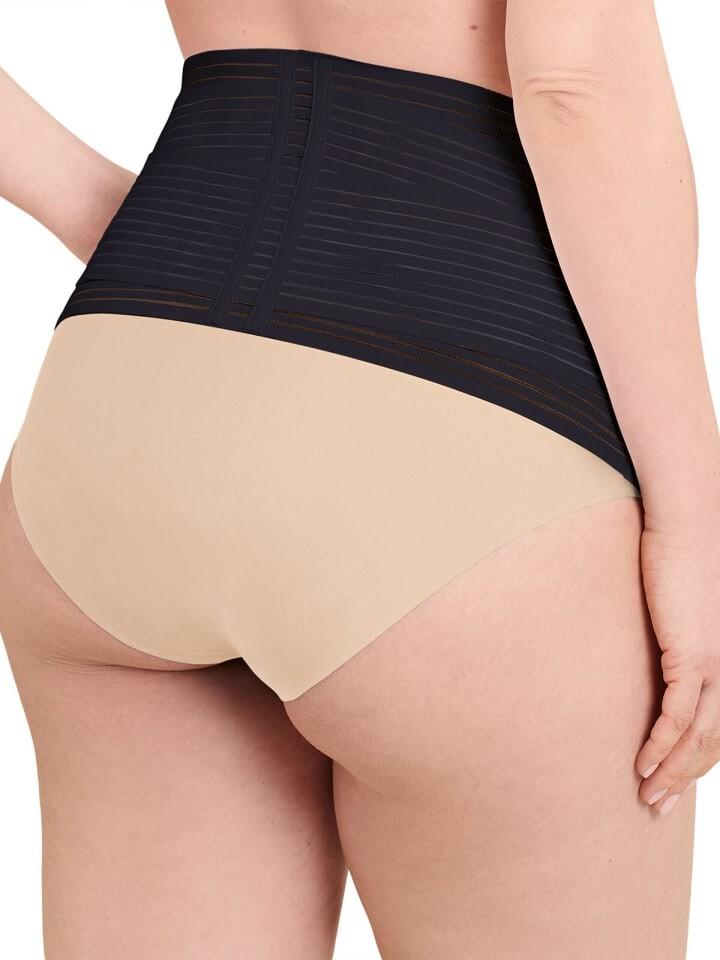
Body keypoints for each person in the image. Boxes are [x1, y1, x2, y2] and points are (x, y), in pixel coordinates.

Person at [0, 2, 717, 957]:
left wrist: (92, 203)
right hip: (463, 423)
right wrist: (695, 522)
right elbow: (574, 90)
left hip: (128, 387)